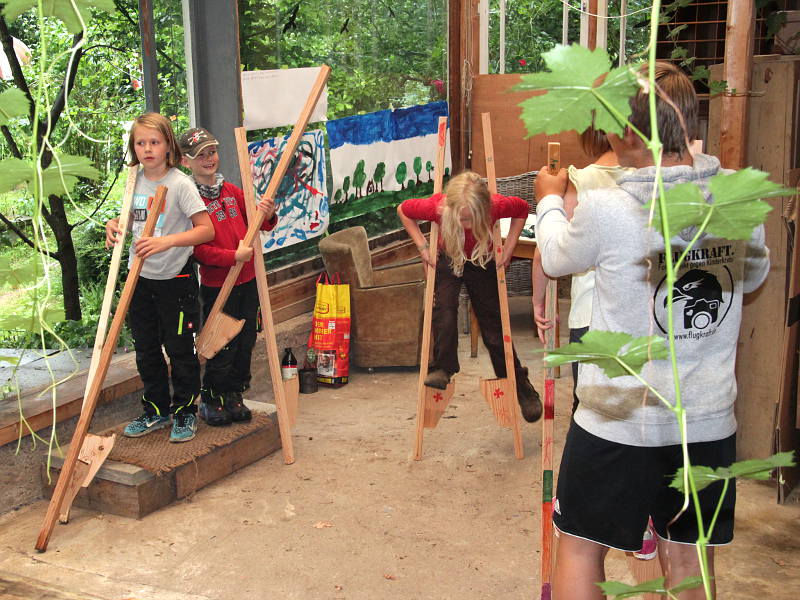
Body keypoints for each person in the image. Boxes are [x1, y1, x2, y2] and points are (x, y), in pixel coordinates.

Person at [534, 61, 770, 599]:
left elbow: (554, 255)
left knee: (578, 545)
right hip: (705, 422)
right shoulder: (736, 195)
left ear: (622, 133)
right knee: (690, 557)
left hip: (619, 420)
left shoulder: (608, 207)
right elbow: (753, 274)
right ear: (688, 120)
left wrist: (549, 197)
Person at [398, 170, 543, 423]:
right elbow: (403, 210)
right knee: (444, 311)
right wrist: (423, 247)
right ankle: (443, 367)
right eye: (461, 219)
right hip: (448, 255)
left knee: (493, 327)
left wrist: (508, 249)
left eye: (470, 219)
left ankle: (520, 386)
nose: (466, 225)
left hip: (481, 257)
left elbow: (523, 209)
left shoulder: (495, 206)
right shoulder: (437, 208)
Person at [106, 113, 215, 443]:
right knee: (146, 348)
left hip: (175, 278)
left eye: (154, 142)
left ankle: (184, 412)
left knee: (180, 349)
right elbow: (128, 218)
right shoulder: (132, 179)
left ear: (168, 145)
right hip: (139, 279)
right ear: (133, 146)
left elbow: (206, 230)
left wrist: (167, 240)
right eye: (140, 143)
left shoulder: (179, 184)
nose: (147, 149)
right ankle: (156, 409)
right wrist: (113, 225)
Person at [178, 127, 277, 425]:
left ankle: (234, 395)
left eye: (212, 152)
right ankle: (213, 399)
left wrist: (268, 213)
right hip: (218, 285)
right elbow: (198, 250)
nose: (209, 159)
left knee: (246, 340)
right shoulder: (190, 200)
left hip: (248, 280)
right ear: (186, 161)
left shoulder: (232, 191)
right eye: (200, 155)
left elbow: (262, 224)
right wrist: (230, 258)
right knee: (222, 342)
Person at [532, 128, 629, 415]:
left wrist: (539, 301)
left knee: (587, 406)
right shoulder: (652, 175)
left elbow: (548, 251)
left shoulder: (580, 180)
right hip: (640, 316)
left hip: (590, 315)